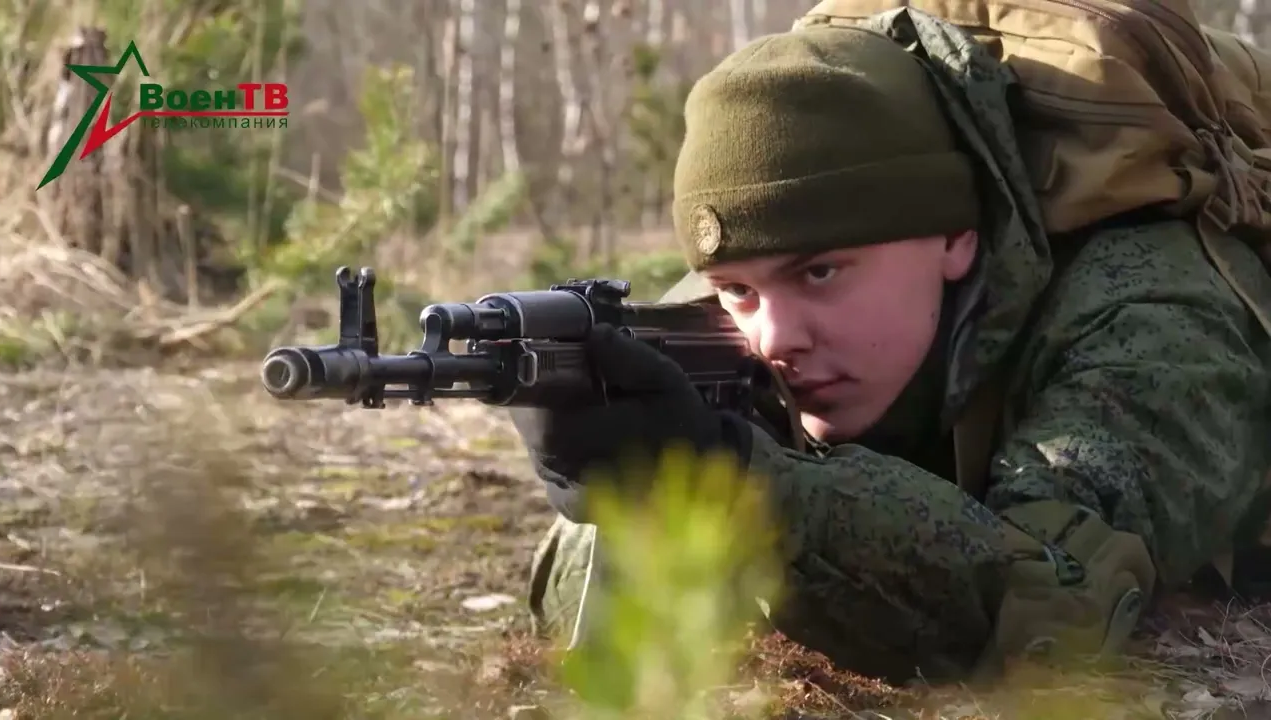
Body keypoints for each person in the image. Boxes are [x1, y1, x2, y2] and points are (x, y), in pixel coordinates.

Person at [509, 12, 1271, 683]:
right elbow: (574, 618)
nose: (774, 338)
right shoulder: (736, 321)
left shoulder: (1149, 312)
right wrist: (622, 477)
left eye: (819, 273)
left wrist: (744, 489)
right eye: (737, 288)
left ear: (956, 237)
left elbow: (1058, 610)